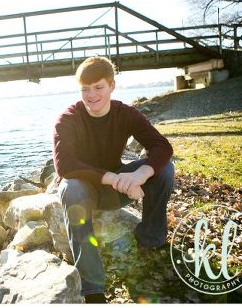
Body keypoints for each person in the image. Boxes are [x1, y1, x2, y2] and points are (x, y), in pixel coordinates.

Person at [53, 56, 174, 304]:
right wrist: (116, 179)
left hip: (113, 192)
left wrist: (139, 176)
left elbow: (162, 146)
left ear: (112, 86)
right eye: (85, 89)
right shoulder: (68, 118)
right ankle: (93, 289)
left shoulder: (125, 114)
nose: (91, 95)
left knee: (165, 169)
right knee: (71, 188)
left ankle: (151, 240)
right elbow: (65, 165)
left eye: (98, 87)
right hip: (84, 193)